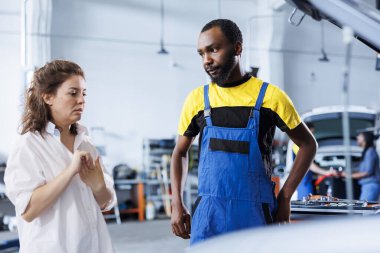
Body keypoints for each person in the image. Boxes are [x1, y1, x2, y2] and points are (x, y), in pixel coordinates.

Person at [170, 19, 317, 245]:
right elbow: (179, 152)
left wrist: (285, 196)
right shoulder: (198, 99)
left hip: (257, 213)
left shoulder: (270, 97)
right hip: (209, 216)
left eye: (214, 49)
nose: (206, 60)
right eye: (201, 54)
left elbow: (308, 145)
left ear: (237, 48)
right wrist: (176, 203)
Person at [4, 60, 116, 253]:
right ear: (48, 97)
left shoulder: (86, 143)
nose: (81, 100)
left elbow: (105, 202)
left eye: (83, 93)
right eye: (73, 93)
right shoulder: (29, 145)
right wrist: (70, 171)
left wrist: (99, 187)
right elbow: (28, 211)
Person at [293, 123, 337, 199]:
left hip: (306, 182)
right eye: (311, 133)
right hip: (303, 184)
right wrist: (327, 172)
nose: (312, 136)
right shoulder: (298, 145)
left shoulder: (302, 145)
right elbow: (309, 165)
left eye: (313, 133)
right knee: (305, 205)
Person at [342, 131, 380, 201]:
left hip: (371, 186)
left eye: (359, 136)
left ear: (365, 139)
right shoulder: (367, 151)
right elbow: (360, 169)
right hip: (367, 186)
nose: (357, 138)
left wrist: (349, 175)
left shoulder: (370, 152)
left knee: (365, 209)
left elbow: (367, 172)